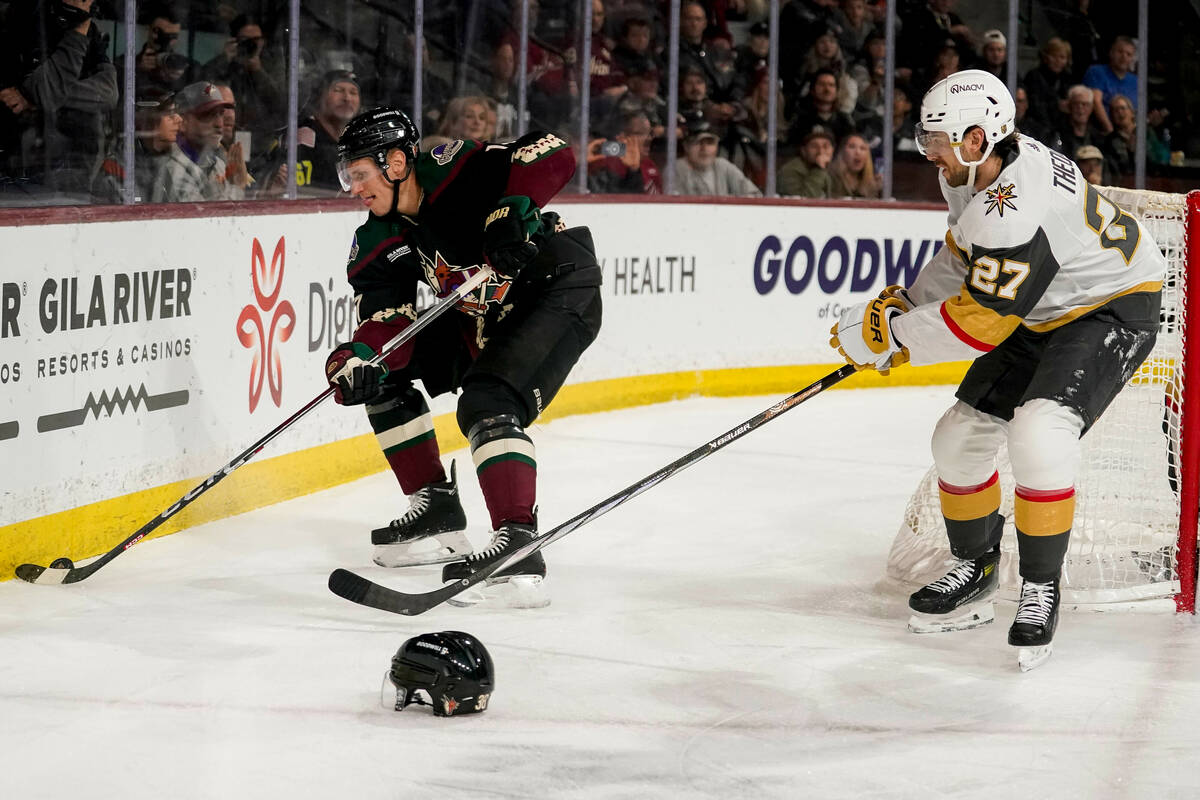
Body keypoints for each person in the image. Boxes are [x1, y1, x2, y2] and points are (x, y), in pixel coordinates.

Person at [829, 69, 1165, 669]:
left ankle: (1040, 585)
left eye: (936, 137)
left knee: (1040, 431)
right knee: (956, 440)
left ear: (978, 137)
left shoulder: (1018, 206)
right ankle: (978, 567)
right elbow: (965, 254)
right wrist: (907, 303)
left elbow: (982, 322)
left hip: (1111, 306)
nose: (927, 149)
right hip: (1042, 305)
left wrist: (893, 338)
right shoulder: (972, 173)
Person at [326, 108, 602, 609]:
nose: (354, 188)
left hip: (555, 289)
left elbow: (553, 151)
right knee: (384, 375)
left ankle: (518, 545)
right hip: (482, 318)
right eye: (348, 177)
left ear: (394, 162)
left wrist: (512, 209)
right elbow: (389, 321)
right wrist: (360, 357)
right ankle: (436, 509)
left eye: (360, 174)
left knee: (488, 401)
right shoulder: (378, 239)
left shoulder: (449, 169)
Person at [151, 80, 240, 202]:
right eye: (209, 115)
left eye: (220, 114)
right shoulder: (173, 169)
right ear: (183, 122)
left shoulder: (218, 164)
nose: (219, 124)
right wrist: (237, 186)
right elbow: (209, 219)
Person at [296, 70, 361, 192]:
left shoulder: (363, 141)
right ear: (320, 96)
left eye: (353, 92)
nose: (347, 98)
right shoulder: (303, 136)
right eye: (338, 90)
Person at [673, 118, 761, 197]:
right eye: (697, 143)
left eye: (710, 143)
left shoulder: (722, 165)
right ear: (686, 147)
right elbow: (678, 207)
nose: (704, 149)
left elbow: (755, 195)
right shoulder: (678, 169)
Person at [777, 127, 835, 197]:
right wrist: (819, 168)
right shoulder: (789, 171)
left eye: (825, 146)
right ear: (803, 151)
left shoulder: (832, 169)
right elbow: (802, 203)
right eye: (814, 146)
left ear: (832, 150)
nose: (821, 152)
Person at [828, 131, 879, 197]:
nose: (858, 152)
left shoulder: (870, 184)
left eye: (862, 148)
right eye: (852, 147)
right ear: (842, 152)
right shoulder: (830, 177)